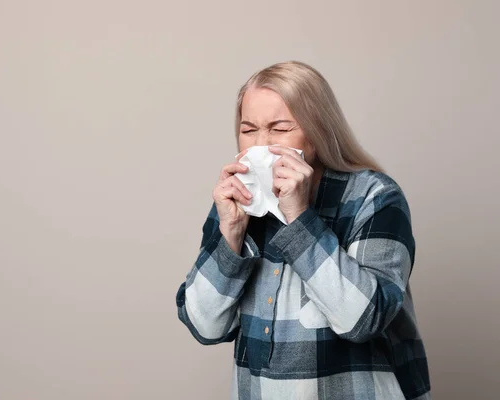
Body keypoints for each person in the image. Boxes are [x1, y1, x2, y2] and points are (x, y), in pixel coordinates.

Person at [176, 61, 431, 399]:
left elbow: (364, 320)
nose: (261, 145)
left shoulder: (375, 197)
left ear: (318, 132)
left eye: (279, 128)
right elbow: (203, 326)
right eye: (249, 129)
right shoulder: (237, 203)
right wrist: (231, 234)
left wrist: (299, 218)